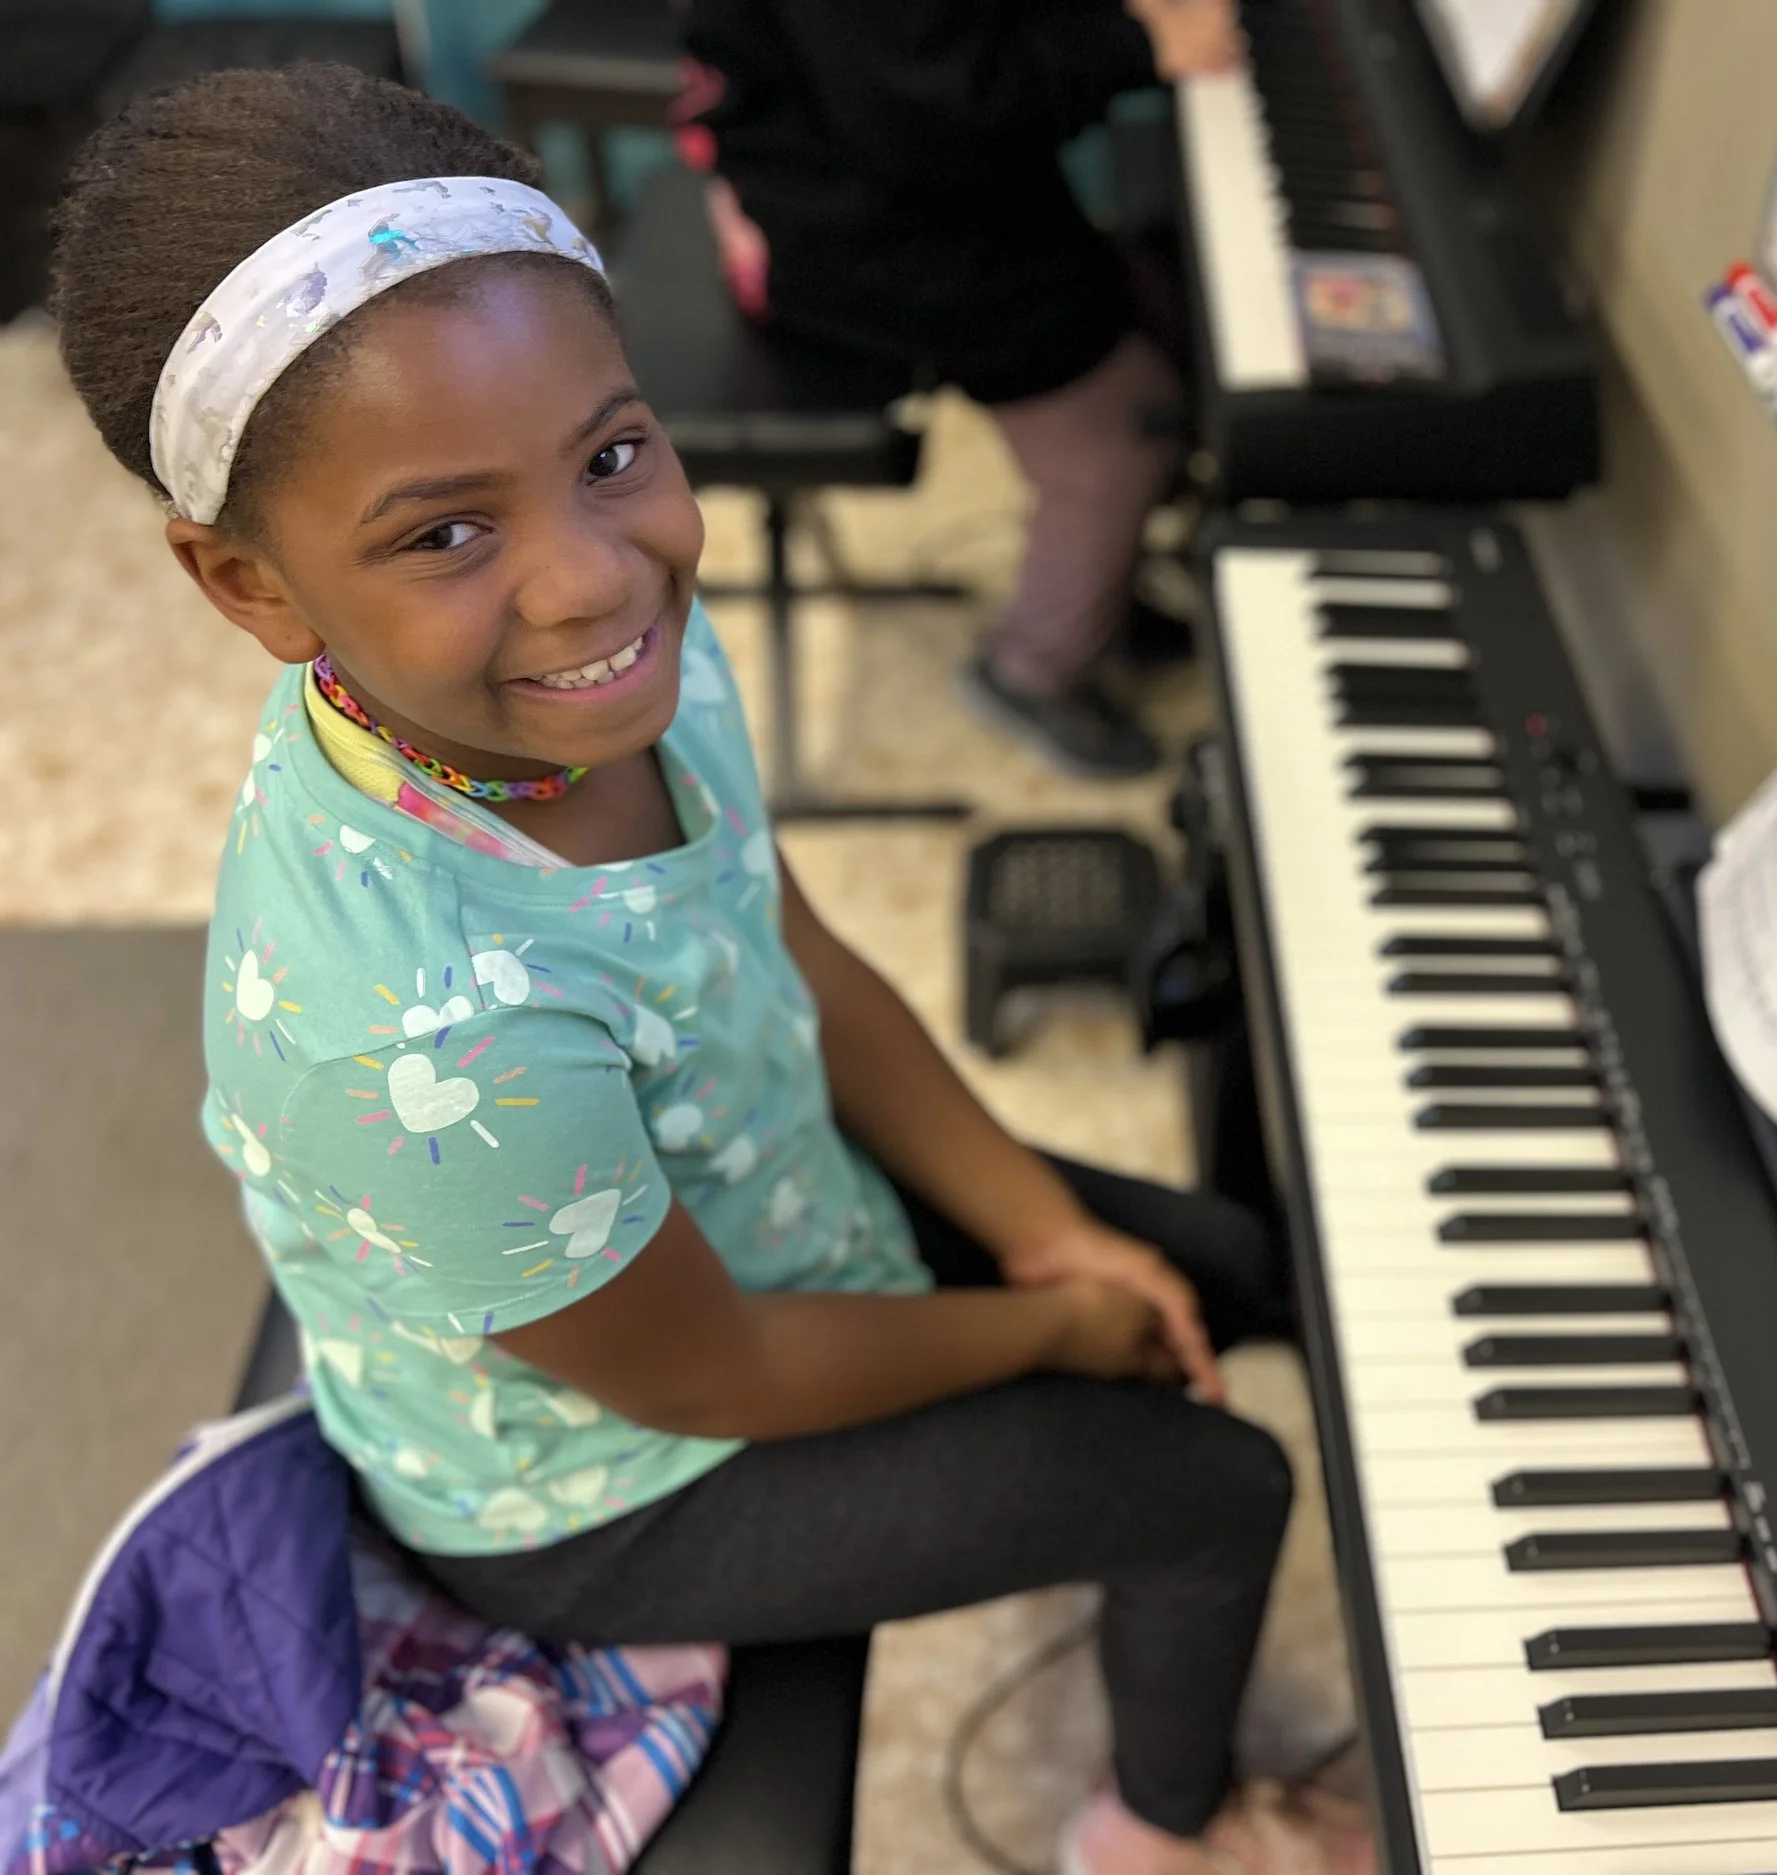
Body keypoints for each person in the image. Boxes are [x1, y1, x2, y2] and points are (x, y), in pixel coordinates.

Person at [48, 66, 1370, 1875]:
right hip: (611, 1481)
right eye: (446, 532)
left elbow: (790, 946)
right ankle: (1163, 1830)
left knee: (1219, 1263)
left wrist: (1038, 1226)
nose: (596, 577)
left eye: (610, 455)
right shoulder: (423, 1040)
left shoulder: (619, 665)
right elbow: (714, 1375)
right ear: (251, 589)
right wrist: (1058, 1326)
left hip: (757, 1220)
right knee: (1217, 1487)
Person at [675, 0, 1240, 780]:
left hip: (885, 180)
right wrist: (1136, 41)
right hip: (872, 233)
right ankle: (1030, 674)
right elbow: (938, 114)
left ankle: (1105, 593)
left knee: (1163, 310)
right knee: (1126, 431)